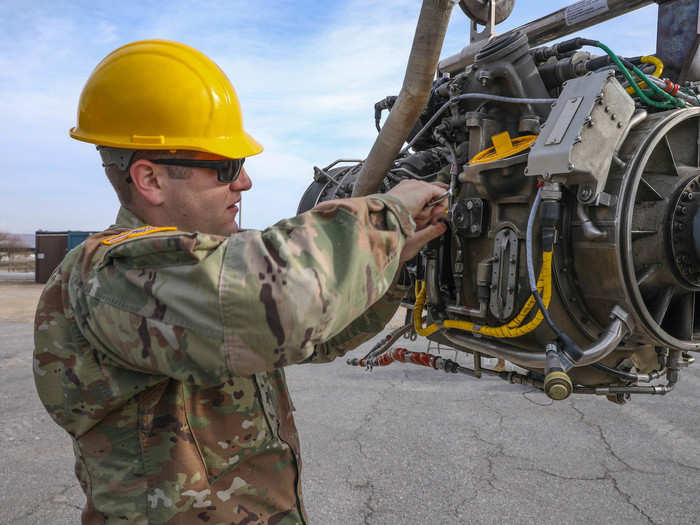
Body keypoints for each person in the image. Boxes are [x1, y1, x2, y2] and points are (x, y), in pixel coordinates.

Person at [33, 39, 448, 524]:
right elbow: (285, 302)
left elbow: (317, 336)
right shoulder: (111, 273)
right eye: (226, 167)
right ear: (150, 179)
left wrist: (393, 262)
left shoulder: (202, 265)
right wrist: (389, 213)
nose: (245, 182)